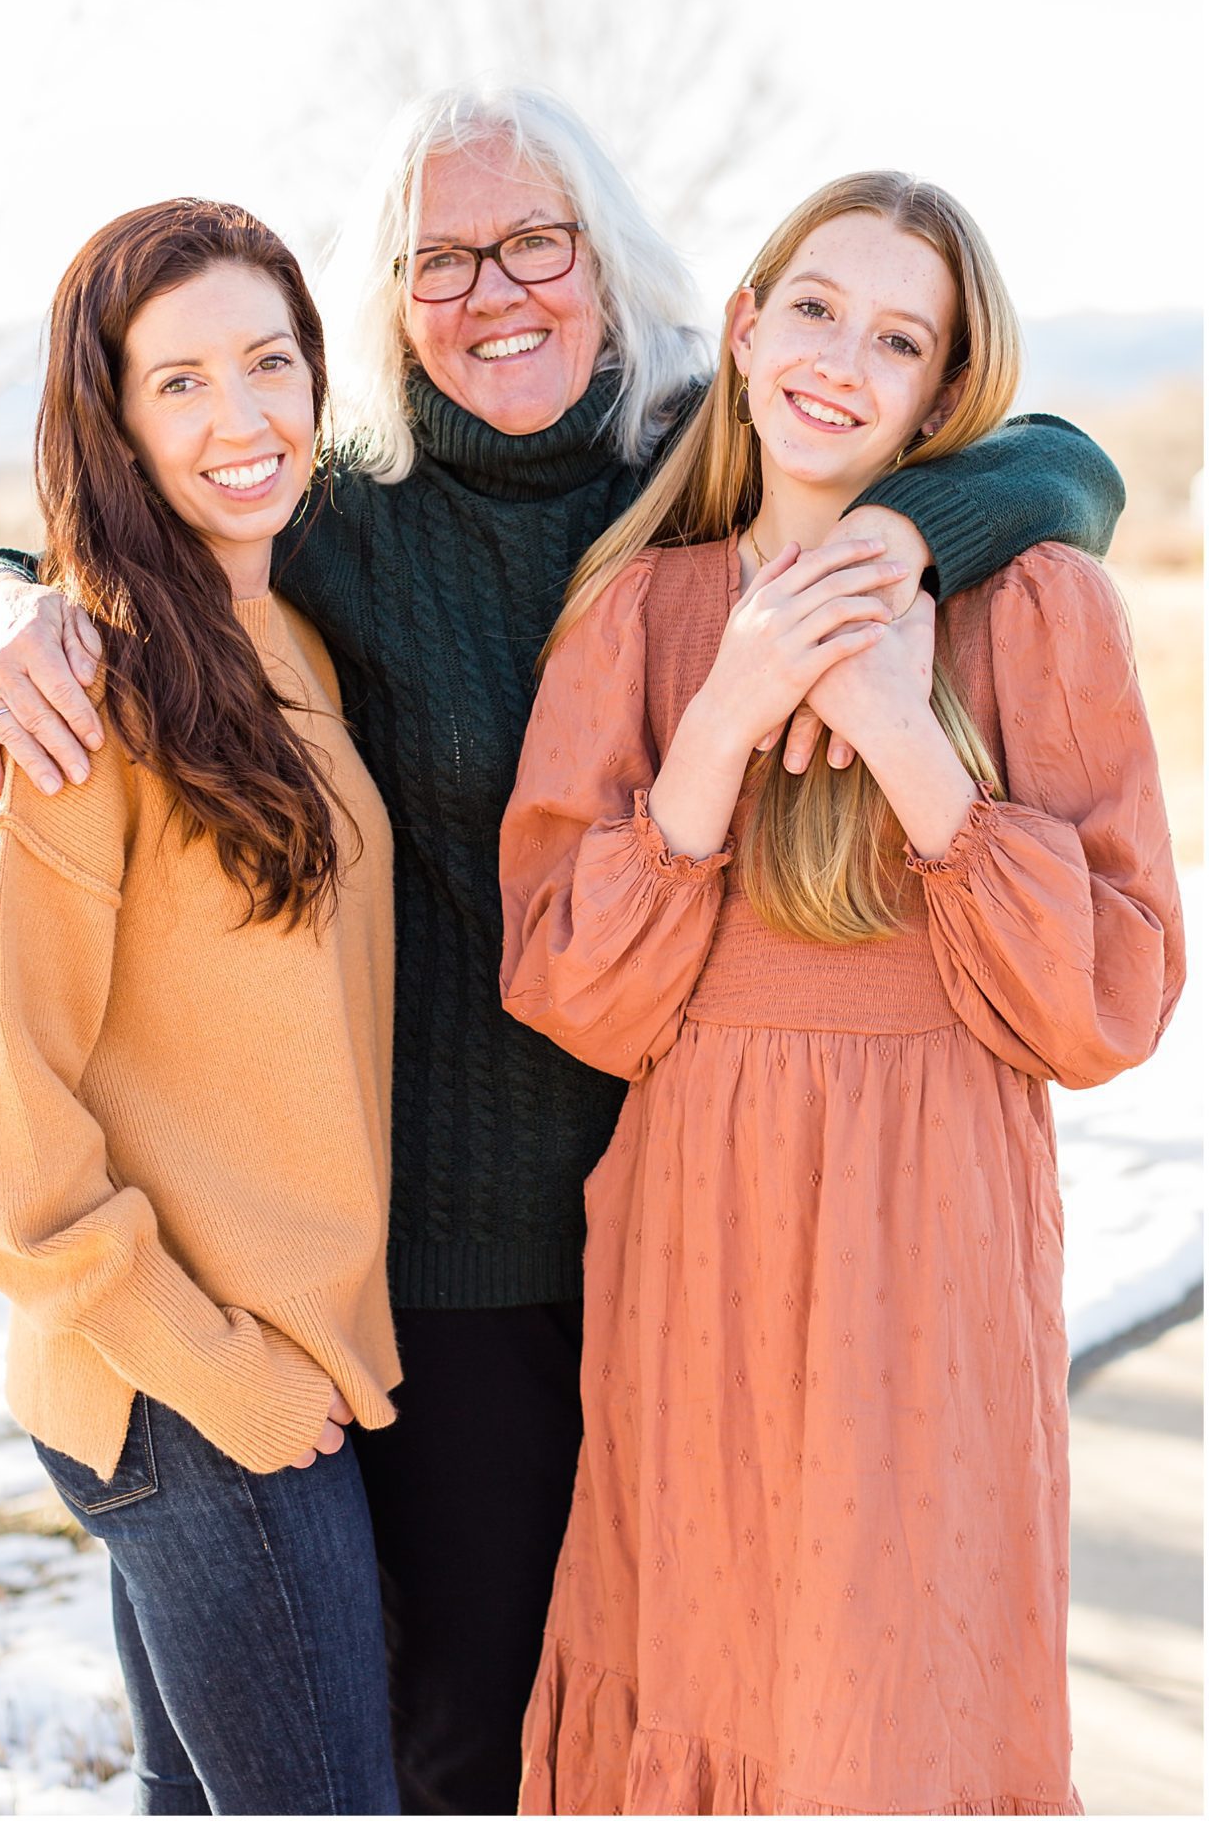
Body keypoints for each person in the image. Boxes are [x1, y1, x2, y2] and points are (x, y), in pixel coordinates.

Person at [0, 88, 1127, 1817]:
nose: (497, 293)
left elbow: (1052, 457)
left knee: (715, 1713)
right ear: (390, 304)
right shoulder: (341, 512)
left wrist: (907, 536)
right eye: (440, 261)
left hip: (701, 1228)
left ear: (610, 258)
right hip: (444, 1259)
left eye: (535, 243)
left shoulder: (696, 470)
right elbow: (115, 542)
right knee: (472, 1740)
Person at [498, 171, 1184, 1815]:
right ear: (742, 328)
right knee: (704, 1660)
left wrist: (901, 729)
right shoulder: (637, 612)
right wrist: (727, 714)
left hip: (936, 1231)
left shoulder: (1038, 606)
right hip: (700, 1235)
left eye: (898, 336)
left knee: (898, 1684)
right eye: (812, 306)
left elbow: (1106, 1003)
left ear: (944, 393)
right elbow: (575, 986)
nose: (839, 358)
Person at [0, 201, 402, 1817]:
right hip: (189, 1386)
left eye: (269, 361)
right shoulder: (82, 689)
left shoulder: (293, 638)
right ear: (110, 418)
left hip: (264, 1358)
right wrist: (212, 1365)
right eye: (178, 382)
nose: (242, 417)